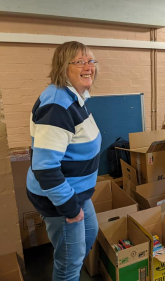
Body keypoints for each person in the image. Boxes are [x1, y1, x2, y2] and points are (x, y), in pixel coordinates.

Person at [26, 41, 101, 281]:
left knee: (90, 233)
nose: (88, 67)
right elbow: (45, 167)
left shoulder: (74, 97)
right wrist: (69, 208)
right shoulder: (57, 106)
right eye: (80, 62)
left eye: (91, 61)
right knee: (69, 265)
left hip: (77, 192)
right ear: (62, 66)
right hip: (61, 199)